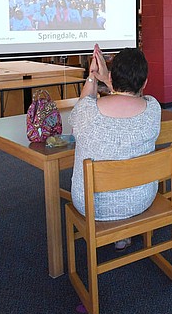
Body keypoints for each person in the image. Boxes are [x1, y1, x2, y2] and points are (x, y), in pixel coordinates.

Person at [69, 45, 161, 251]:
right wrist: (109, 80)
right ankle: (123, 233)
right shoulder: (154, 109)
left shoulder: (87, 113)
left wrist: (93, 77)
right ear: (145, 82)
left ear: (112, 77)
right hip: (141, 198)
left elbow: (82, 108)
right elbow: (128, 98)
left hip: (91, 205)